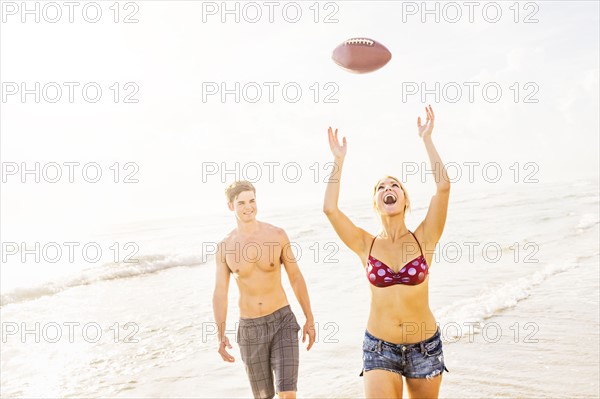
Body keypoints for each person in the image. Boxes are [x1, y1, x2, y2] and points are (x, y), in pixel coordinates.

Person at [323, 105, 451, 398]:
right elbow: (330, 209)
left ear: (404, 200)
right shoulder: (364, 244)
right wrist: (338, 161)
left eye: (395, 185)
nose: (388, 188)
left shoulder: (425, 238)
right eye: (381, 187)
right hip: (379, 347)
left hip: (424, 348)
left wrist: (427, 139)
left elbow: (443, 187)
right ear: (376, 203)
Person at [212, 180, 316, 399]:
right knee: (263, 397)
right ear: (231, 206)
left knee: (288, 393)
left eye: (252, 200)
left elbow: (295, 277)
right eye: (241, 203)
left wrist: (309, 318)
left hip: (282, 322)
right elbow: (220, 292)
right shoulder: (225, 247)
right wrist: (220, 335)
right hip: (250, 329)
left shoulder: (277, 235)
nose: (248, 207)